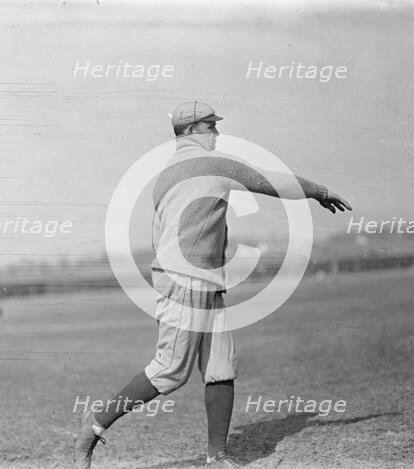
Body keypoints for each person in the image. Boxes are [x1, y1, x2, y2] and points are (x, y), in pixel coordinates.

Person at [74, 101, 352, 468]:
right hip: (186, 279)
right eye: (210, 126)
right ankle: (92, 428)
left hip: (202, 279)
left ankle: (217, 455)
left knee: (221, 366)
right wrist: (319, 190)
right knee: (170, 369)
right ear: (190, 131)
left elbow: (160, 234)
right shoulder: (212, 165)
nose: (217, 133)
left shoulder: (164, 176)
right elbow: (271, 180)